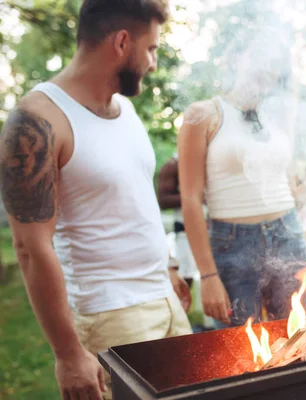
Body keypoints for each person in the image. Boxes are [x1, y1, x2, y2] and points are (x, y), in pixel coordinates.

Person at [0, 1, 192, 399]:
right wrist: (68, 354)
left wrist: (169, 266)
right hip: (112, 316)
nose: (153, 62)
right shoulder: (36, 121)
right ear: (122, 42)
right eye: (151, 49)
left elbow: (136, 198)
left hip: (165, 300)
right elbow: (30, 248)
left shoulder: (126, 109)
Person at [177, 28, 306, 328]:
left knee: (301, 342)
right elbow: (190, 199)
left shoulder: (279, 114)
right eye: (259, 56)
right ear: (236, 58)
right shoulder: (202, 114)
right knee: (238, 355)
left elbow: (290, 185)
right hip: (232, 245)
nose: (268, 67)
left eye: (275, 61)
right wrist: (208, 275)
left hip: (287, 235)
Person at [157, 153, 196, 287]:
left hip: (219, 229)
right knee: (185, 277)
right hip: (186, 230)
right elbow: (163, 199)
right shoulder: (174, 164)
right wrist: (194, 198)